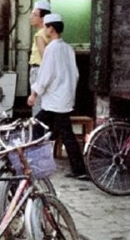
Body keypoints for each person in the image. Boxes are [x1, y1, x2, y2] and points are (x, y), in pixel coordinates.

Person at [28, 13, 87, 179]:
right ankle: (78, 169)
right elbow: (75, 74)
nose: (45, 30)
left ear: (51, 29)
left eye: (46, 27)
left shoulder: (51, 50)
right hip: (64, 98)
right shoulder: (67, 48)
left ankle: (37, 164)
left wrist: (34, 94)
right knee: (64, 132)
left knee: (39, 127)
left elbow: (45, 75)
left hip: (54, 100)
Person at [28, 0, 52, 115]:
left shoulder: (39, 35)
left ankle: (37, 131)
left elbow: (45, 58)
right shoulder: (49, 33)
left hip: (39, 70)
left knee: (37, 103)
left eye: (34, 15)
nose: (31, 17)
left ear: (43, 18)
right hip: (45, 71)